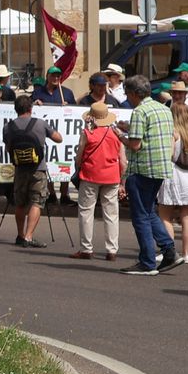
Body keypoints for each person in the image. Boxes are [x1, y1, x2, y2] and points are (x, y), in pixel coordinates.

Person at [118, 74, 178, 274]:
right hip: (160, 168)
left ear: (135, 93)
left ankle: (147, 262)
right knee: (149, 211)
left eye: (128, 94)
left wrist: (120, 135)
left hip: (142, 168)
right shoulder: (163, 109)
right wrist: (128, 128)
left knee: (140, 216)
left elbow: (135, 145)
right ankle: (169, 250)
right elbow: (151, 133)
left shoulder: (139, 111)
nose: (128, 98)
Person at [3, 94, 61, 248]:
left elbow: (8, 147)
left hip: (19, 169)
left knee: (20, 203)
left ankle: (20, 235)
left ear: (16, 109)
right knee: (37, 201)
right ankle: (29, 236)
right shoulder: (40, 124)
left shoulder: (8, 127)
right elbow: (59, 138)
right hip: (38, 169)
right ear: (31, 108)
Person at [72, 101, 122, 261]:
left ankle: (86, 248)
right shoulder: (116, 133)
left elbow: (79, 155)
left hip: (90, 175)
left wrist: (77, 166)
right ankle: (112, 250)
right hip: (112, 176)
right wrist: (122, 179)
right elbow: (123, 160)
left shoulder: (87, 133)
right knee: (111, 213)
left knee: (86, 211)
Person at [157, 103, 188, 266]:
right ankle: (186, 254)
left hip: (174, 175)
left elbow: (169, 154)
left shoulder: (174, 133)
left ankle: (169, 251)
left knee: (165, 215)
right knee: (187, 217)